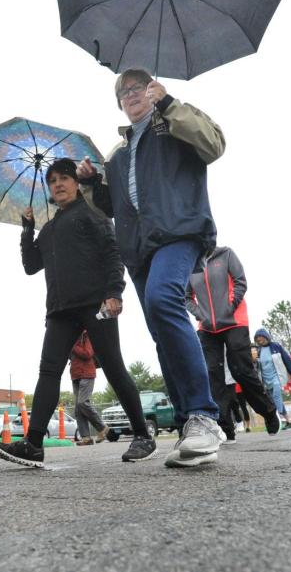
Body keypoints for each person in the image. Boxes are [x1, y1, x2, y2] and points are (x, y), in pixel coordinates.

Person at [77, 69, 228, 468]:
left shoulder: (174, 123)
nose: (131, 95)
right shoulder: (119, 153)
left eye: (137, 87)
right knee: (161, 330)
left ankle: (204, 416)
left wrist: (168, 104)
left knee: (165, 302)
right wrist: (93, 185)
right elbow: (112, 208)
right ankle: (186, 423)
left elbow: (213, 145)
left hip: (180, 231)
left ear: (152, 89)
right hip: (139, 249)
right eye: (122, 92)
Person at [0, 159, 156, 468]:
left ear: (76, 182)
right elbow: (31, 266)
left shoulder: (93, 213)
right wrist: (27, 230)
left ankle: (143, 435)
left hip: (95, 303)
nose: (58, 184)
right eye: (52, 180)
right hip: (59, 310)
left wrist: (114, 293)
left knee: (113, 365)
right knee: (48, 372)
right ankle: (34, 444)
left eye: (64, 178)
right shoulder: (50, 228)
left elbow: (112, 252)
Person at [185, 245, 280, 443]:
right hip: (207, 327)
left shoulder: (226, 255)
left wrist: (229, 306)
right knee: (214, 376)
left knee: (241, 370)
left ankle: (269, 412)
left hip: (234, 321)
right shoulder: (190, 263)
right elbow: (186, 297)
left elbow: (240, 282)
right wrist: (199, 314)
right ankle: (225, 428)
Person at [69, 331, 110, 445]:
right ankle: (86, 438)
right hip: (75, 374)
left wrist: (73, 346)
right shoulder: (72, 337)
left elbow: (88, 353)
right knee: (78, 408)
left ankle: (102, 427)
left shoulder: (86, 335)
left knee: (82, 402)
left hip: (87, 373)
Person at [253, 328, 291, 429]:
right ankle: (288, 421)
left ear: (266, 337)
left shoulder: (276, 347)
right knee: (272, 401)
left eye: (262, 339)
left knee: (277, 396)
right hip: (265, 380)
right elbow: (256, 366)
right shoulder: (258, 350)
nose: (260, 341)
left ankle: (277, 417)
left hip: (276, 377)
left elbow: (287, 360)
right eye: (258, 340)